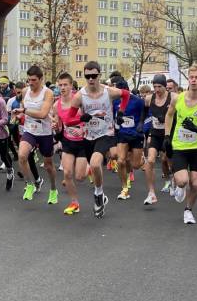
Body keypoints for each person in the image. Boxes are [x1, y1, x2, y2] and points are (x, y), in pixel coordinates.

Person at [68, 60, 130, 218]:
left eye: (93, 76)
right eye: (87, 76)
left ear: (99, 75)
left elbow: (126, 94)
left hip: (106, 133)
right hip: (88, 137)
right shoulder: (79, 96)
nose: (90, 79)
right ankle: (100, 194)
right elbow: (68, 120)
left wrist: (121, 112)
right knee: (93, 169)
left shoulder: (109, 92)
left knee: (95, 164)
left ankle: (98, 194)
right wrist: (81, 118)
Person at [166, 64, 197, 224]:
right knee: (183, 181)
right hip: (180, 146)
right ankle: (179, 185)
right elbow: (169, 115)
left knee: (195, 184)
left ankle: (188, 210)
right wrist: (167, 136)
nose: (193, 80)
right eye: (191, 77)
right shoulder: (178, 98)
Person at [15, 65, 59, 204]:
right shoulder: (25, 91)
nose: (31, 82)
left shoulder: (48, 93)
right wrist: (18, 114)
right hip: (30, 131)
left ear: (41, 79)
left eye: (34, 80)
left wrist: (24, 111)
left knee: (48, 165)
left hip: (45, 133)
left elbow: (42, 114)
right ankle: (30, 184)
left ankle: (53, 189)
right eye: (29, 80)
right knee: (22, 155)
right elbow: (24, 109)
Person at [54, 73, 87, 215]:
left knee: (80, 177)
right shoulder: (56, 105)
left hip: (83, 142)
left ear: (71, 85)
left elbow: (90, 119)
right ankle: (74, 203)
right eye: (60, 85)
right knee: (67, 173)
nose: (62, 88)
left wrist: (83, 129)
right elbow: (59, 127)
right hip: (68, 142)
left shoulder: (80, 100)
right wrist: (56, 128)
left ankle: (89, 168)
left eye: (65, 85)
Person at [143, 73, 173, 205]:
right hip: (155, 134)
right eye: (154, 86)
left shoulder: (173, 98)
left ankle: (173, 181)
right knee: (150, 161)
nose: (157, 89)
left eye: (159, 86)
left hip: (168, 135)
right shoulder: (149, 98)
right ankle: (151, 193)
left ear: (165, 86)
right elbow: (144, 111)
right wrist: (142, 122)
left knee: (168, 161)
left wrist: (167, 119)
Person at [113, 78, 144, 201]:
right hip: (122, 134)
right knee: (121, 161)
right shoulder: (115, 102)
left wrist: (142, 124)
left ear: (126, 90)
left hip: (136, 135)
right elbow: (113, 116)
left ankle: (142, 160)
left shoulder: (137, 101)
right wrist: (116, 123)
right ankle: (124, 188)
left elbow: (145, 114)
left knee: (135, 165)